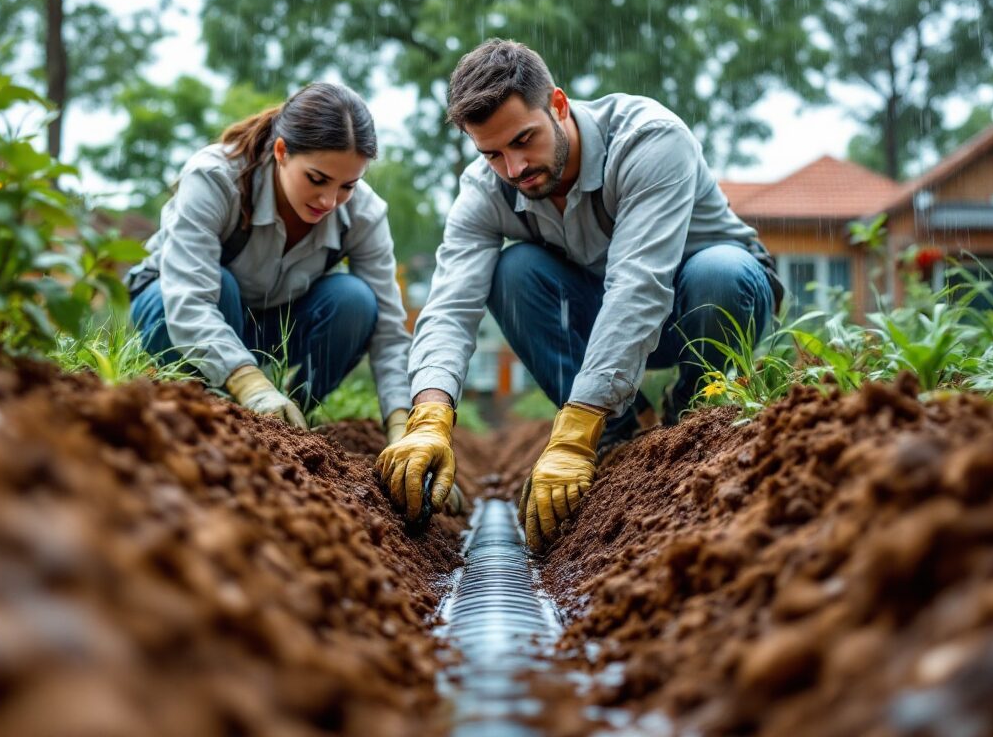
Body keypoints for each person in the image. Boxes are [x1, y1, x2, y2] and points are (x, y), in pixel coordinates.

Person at [377, 40, 784, 552]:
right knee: (514, 270)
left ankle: (697, 422)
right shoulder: (486, 190)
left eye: (525, 139)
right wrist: (430, 414)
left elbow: (639, 286)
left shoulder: (649, 140)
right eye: (493, 153)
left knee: (720, 271)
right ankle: (617, 434)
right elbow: (450, 306)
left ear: (560, 106)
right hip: (606, 324)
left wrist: (571, 433)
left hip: (700, 305)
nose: (515, 167)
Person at [127, 82, 412, 444]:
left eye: (347, 185)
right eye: (317, 179)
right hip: (173, 306)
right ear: (281, 151)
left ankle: (291, 420)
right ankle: (212, 402)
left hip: (266, 323)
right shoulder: (215, 176)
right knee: (221, 286)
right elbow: (188, 297)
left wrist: (405, 428)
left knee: (355, 300)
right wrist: (249, 382)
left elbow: (388, 333)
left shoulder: (363, 214)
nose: (329, 200)